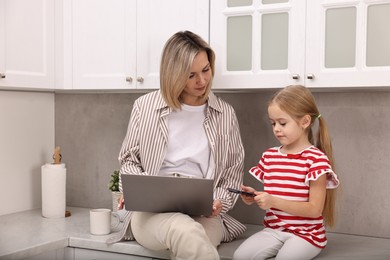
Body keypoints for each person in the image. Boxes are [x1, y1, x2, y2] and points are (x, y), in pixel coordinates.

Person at [107, 30, 246, 260]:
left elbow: (232, 173)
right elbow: (129, 160)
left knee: (191, 235)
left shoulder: (225, 114)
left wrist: (219, 200)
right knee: (184, 230)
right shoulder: (145, 107)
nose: (202, 81)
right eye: (191, 75)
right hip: (150, 215)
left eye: (205, 70)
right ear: (173, 74)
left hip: (205, 216)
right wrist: (133, 189)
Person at [233, 85, 340, 260]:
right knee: (240, 256)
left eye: (282, 123)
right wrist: (256, 196)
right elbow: (276, 194)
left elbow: (314, 210)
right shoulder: (269, 156)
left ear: (305, 122)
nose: (276, 128)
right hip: (273, 230)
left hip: (307, 235)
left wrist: (273, 201)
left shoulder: (316, 160)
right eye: (273, 123)